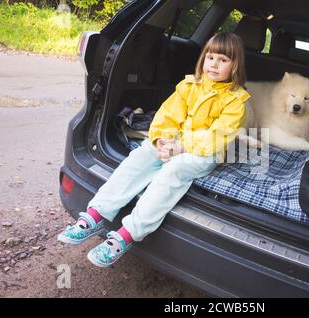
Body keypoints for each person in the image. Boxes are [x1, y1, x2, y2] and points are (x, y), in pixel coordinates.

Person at [57, 32, 251, 267]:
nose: (214, 64)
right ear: (203, 59)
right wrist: (160, 139)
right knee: (143, 153)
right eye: (210, 57)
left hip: (205, 153)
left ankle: (127, 235)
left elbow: (217, 136)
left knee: (174, 170)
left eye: (223, 60)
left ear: (235, 65)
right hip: (175, 141)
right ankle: (97, 214)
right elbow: (167, 116)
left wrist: (180, 148)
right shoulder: (189, 86)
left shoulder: (236, 101)